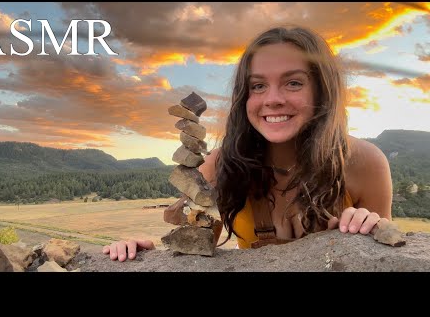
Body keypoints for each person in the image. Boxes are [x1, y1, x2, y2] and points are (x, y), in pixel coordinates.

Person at [102, 25, 393, 261]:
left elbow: (384, 255)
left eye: (293, 82)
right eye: (258, 86)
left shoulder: (363, 162)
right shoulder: (218, 166)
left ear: (322, 91)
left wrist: (368, 226)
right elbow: (191, 256)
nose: (273, 99)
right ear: (245, 96)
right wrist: (145, 257)